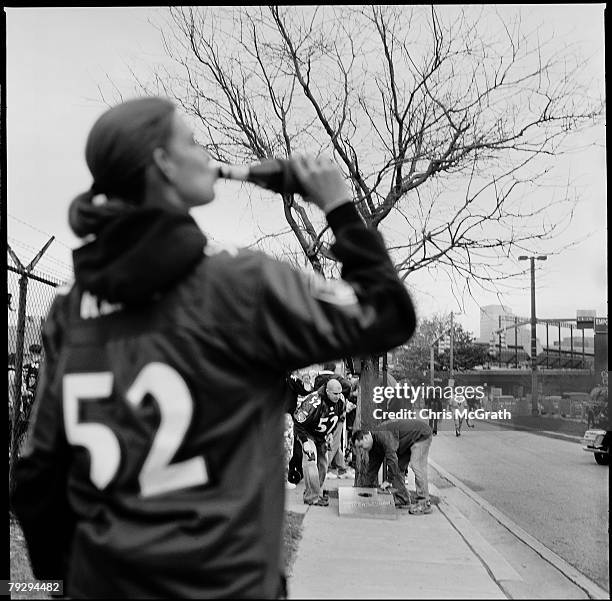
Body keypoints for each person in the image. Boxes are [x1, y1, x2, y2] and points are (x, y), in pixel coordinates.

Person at [10, 96, 416, 599]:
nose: (206, 151)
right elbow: (389, 314)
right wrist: (339, 207)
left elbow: (35, 481)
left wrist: (64, 583)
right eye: (193, 141)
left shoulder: (70, 309)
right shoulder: (240, 284)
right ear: (162, 162)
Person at [352, 419, 433, 514]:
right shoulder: (373, 445)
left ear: (366, 438)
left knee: (417, 466)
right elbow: (372, 469)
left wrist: (388, 480)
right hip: (405, 441)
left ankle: (424, 503)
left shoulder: (382, 435)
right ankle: (402, 499)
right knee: (397, 469)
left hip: (420, 434)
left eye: (361, 446)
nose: (362, 450)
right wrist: (363, 490)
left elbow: (392, 458)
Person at [293, 378, 346, 505]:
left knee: (323, 464)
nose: (338, 396)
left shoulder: (341, 400)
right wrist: (305, 442)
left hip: (322, 436)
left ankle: (316, 492)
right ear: (327, 391)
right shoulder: (313, 401)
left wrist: (330, 434)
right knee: (311, 462)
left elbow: (337, 418)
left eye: (340, 393)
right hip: (307, 433)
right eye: (335, 394)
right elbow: (298, 423)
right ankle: (312, 497)